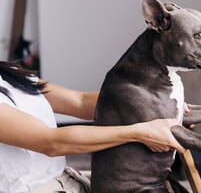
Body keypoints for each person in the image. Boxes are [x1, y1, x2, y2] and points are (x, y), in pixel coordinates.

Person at [0, 61, 187, 193]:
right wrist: (140, 133)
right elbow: (51, 142)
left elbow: (79, 102)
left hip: (70, 180)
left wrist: (161, 105)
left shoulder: (8, 75)